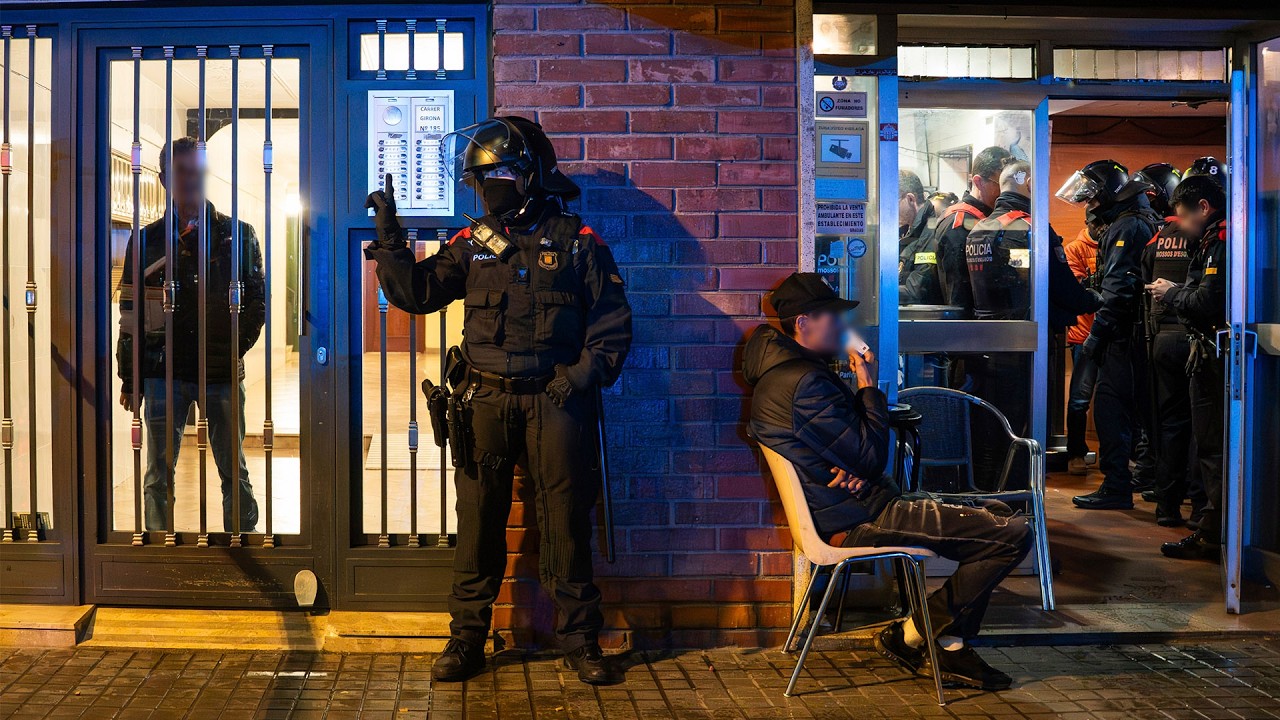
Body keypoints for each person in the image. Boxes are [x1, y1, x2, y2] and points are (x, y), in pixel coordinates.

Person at [363, 116, 632, 684]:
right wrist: (390, 241)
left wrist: (578, 378)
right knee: (479, 521)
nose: (489, 188)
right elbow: (416, 293)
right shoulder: (472, 245)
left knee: (566, 520)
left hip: (555, 403)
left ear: (532, 176)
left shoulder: (577, 241)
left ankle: (580, 641)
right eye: (481, 180)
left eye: (499, 175)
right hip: (484, 401)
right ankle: (466, 641)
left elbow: (612, 326)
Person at [744, 272, 1032, 691]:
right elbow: (871, 456)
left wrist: (849, 466)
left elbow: (852, 455)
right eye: (832, 317)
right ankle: (915, 635)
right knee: (1013, 533)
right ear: (803, 322)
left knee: (999, 513)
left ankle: (946, 644)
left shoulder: (791, 374)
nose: (842, 326)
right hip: (862, 516)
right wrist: (867, 384)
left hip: (858, 505)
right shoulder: (804, 382)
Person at [116, 137, 264, 534]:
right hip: (163, 370)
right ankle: (159, 548)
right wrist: (131, 377)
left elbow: (257, 302)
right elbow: (130, 313)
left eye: (197, 170)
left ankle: (241, 540)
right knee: (157, 473)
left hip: (220, 371)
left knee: (233, 469)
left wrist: (231, 348)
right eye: (181, 171)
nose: (190, 179)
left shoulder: (238, 235)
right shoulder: (145, 241)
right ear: (164, 178)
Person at [1057, 160, 1158, 510]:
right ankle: (1145, 480)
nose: (1089, 204)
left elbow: (1118, 290)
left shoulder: (1127, 226)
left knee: (1110, 410)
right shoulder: (1140, 220)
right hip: (1136, 334)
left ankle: (1116, 487)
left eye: (1092, 196)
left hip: (1122, 335)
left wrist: (1096, 336)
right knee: (1136, 413)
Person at [1149, 174, 1228, 561]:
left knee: (1212, 447)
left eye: (1183, 216)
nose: (1179, 225)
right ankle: (1212, 528)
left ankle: (1214, 535)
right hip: (1207, 350)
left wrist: (1171, 293)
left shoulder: (1220, 241)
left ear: (1204, 208)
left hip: (1214, 354)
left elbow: (1206, 303)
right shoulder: (1215, 238)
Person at [1135, 163, 1196, 526]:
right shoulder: (1207, 235)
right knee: (1203, 427)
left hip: (1161, 338)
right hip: (1196, 338)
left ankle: (1167, 505)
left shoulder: (1159, 236)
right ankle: (1200, 510)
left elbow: (1145, 279)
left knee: (1170, 423)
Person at [932, 146, 1013, 315]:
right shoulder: (960, 224)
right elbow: (959, 294)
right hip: (972, 324)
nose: (1006, 191)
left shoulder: (991, 217)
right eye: (1000, 184)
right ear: (978, 182)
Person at [1064, 224, 1101, 475]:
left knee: (1115, 398)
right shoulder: (1075, 249)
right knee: (1079, 399)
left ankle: (1116, 454)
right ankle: (1076, 452)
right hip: (1084, 336)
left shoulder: (1114, 244)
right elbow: (1077, 291)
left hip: (1111, 334)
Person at [897, 170, 940, 305]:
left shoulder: (930, 233)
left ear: (910, 199)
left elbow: (917, 291)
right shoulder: (913, 232)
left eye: (893, 202)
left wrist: (877, 290)